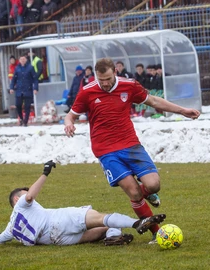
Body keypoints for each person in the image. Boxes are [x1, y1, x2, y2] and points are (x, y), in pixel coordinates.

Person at [64, 58, 200, 244]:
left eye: (108, 78)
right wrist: (69, 124)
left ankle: (147, 192)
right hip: (106, 151)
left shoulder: (129, 86)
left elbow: (152, 100)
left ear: (115, 72)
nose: (104, 83)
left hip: (130, 145)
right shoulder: (88, 91)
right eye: (101, 79)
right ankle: (156, 232)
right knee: (134, 194)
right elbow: (71, 115)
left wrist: (182, 110)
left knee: (153, 185)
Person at [0, 161, 166, 246]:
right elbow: (29, 197)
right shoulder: (22, 203)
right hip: (59, 220)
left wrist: (1, 236)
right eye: (23, 192)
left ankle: (113, 236)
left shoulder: (10, 228)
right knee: (101, 217)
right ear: (16, 200)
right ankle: (138, 222)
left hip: (56, 240)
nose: (28, 194)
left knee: (100, 230)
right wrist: (45, 173)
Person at [9, 54, 38, 127]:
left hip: (28, 89)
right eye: (21, 59)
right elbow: (13, 79)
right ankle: (21, 118)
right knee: (18, 105)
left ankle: (25, 121)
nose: (22, 60)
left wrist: (35, 88)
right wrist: (11, 87)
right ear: (19, 60)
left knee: (27, 106)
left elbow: (35, 79)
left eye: (24, 59)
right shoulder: (17, 68)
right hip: (19, 90)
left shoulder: (30, 68)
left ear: (26, 60)